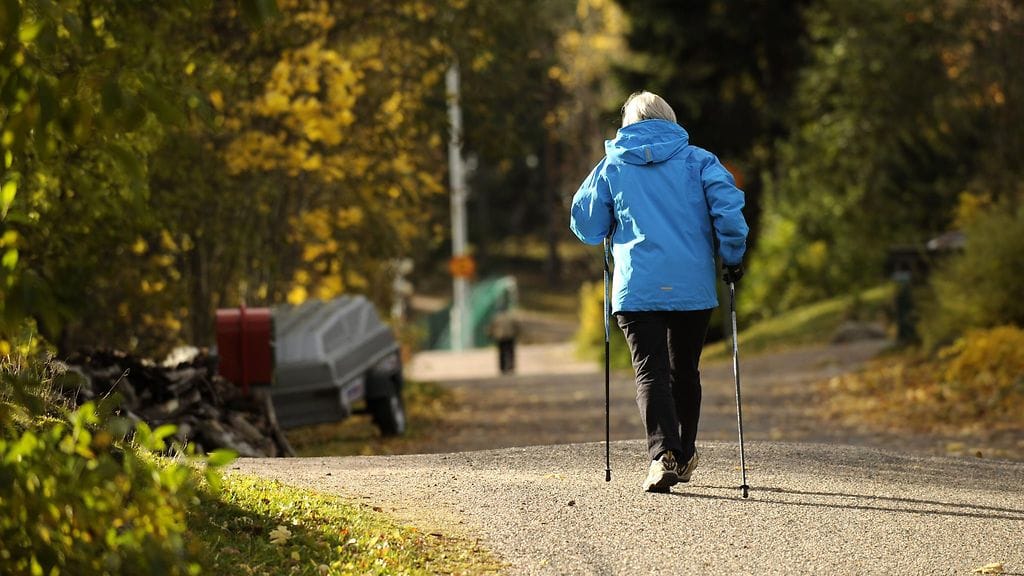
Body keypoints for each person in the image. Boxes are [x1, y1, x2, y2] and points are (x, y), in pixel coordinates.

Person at [569, 91, 748, 492]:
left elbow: (586, 224)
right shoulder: (700, 161)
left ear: (628, 123)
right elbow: (729, 212)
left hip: (637, 287)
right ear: (670, 120)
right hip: (692, 287)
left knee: (651, 371)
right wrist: (732, 257)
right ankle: (682, 456)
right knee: (685, 371)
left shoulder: (612, 165)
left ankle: (662, 454)